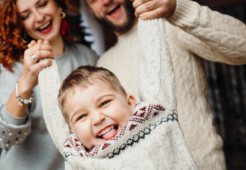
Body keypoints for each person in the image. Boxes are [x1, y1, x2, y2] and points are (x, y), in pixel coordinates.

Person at [84, 0, 246, 169]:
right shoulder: (103, 66)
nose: (106, 0)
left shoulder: (172, 25)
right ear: (90, 10)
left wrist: (178, 9)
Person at [38, 18, 196, 169]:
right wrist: (44, 68)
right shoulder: (77, 156)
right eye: (81, 116)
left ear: (130, 102)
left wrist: (148, 14)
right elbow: (56, 122)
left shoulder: (156, 116)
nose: (97, 118)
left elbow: (156, 67)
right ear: (72, 131)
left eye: (104, 103)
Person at [0, 0, 97, 169]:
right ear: (21, 25)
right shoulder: (17, 68)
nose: (39, 17)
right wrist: (25, 84)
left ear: (58, 6)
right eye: (26, 15)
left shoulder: (86, 57)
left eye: (42, 4)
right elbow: (3, 137)